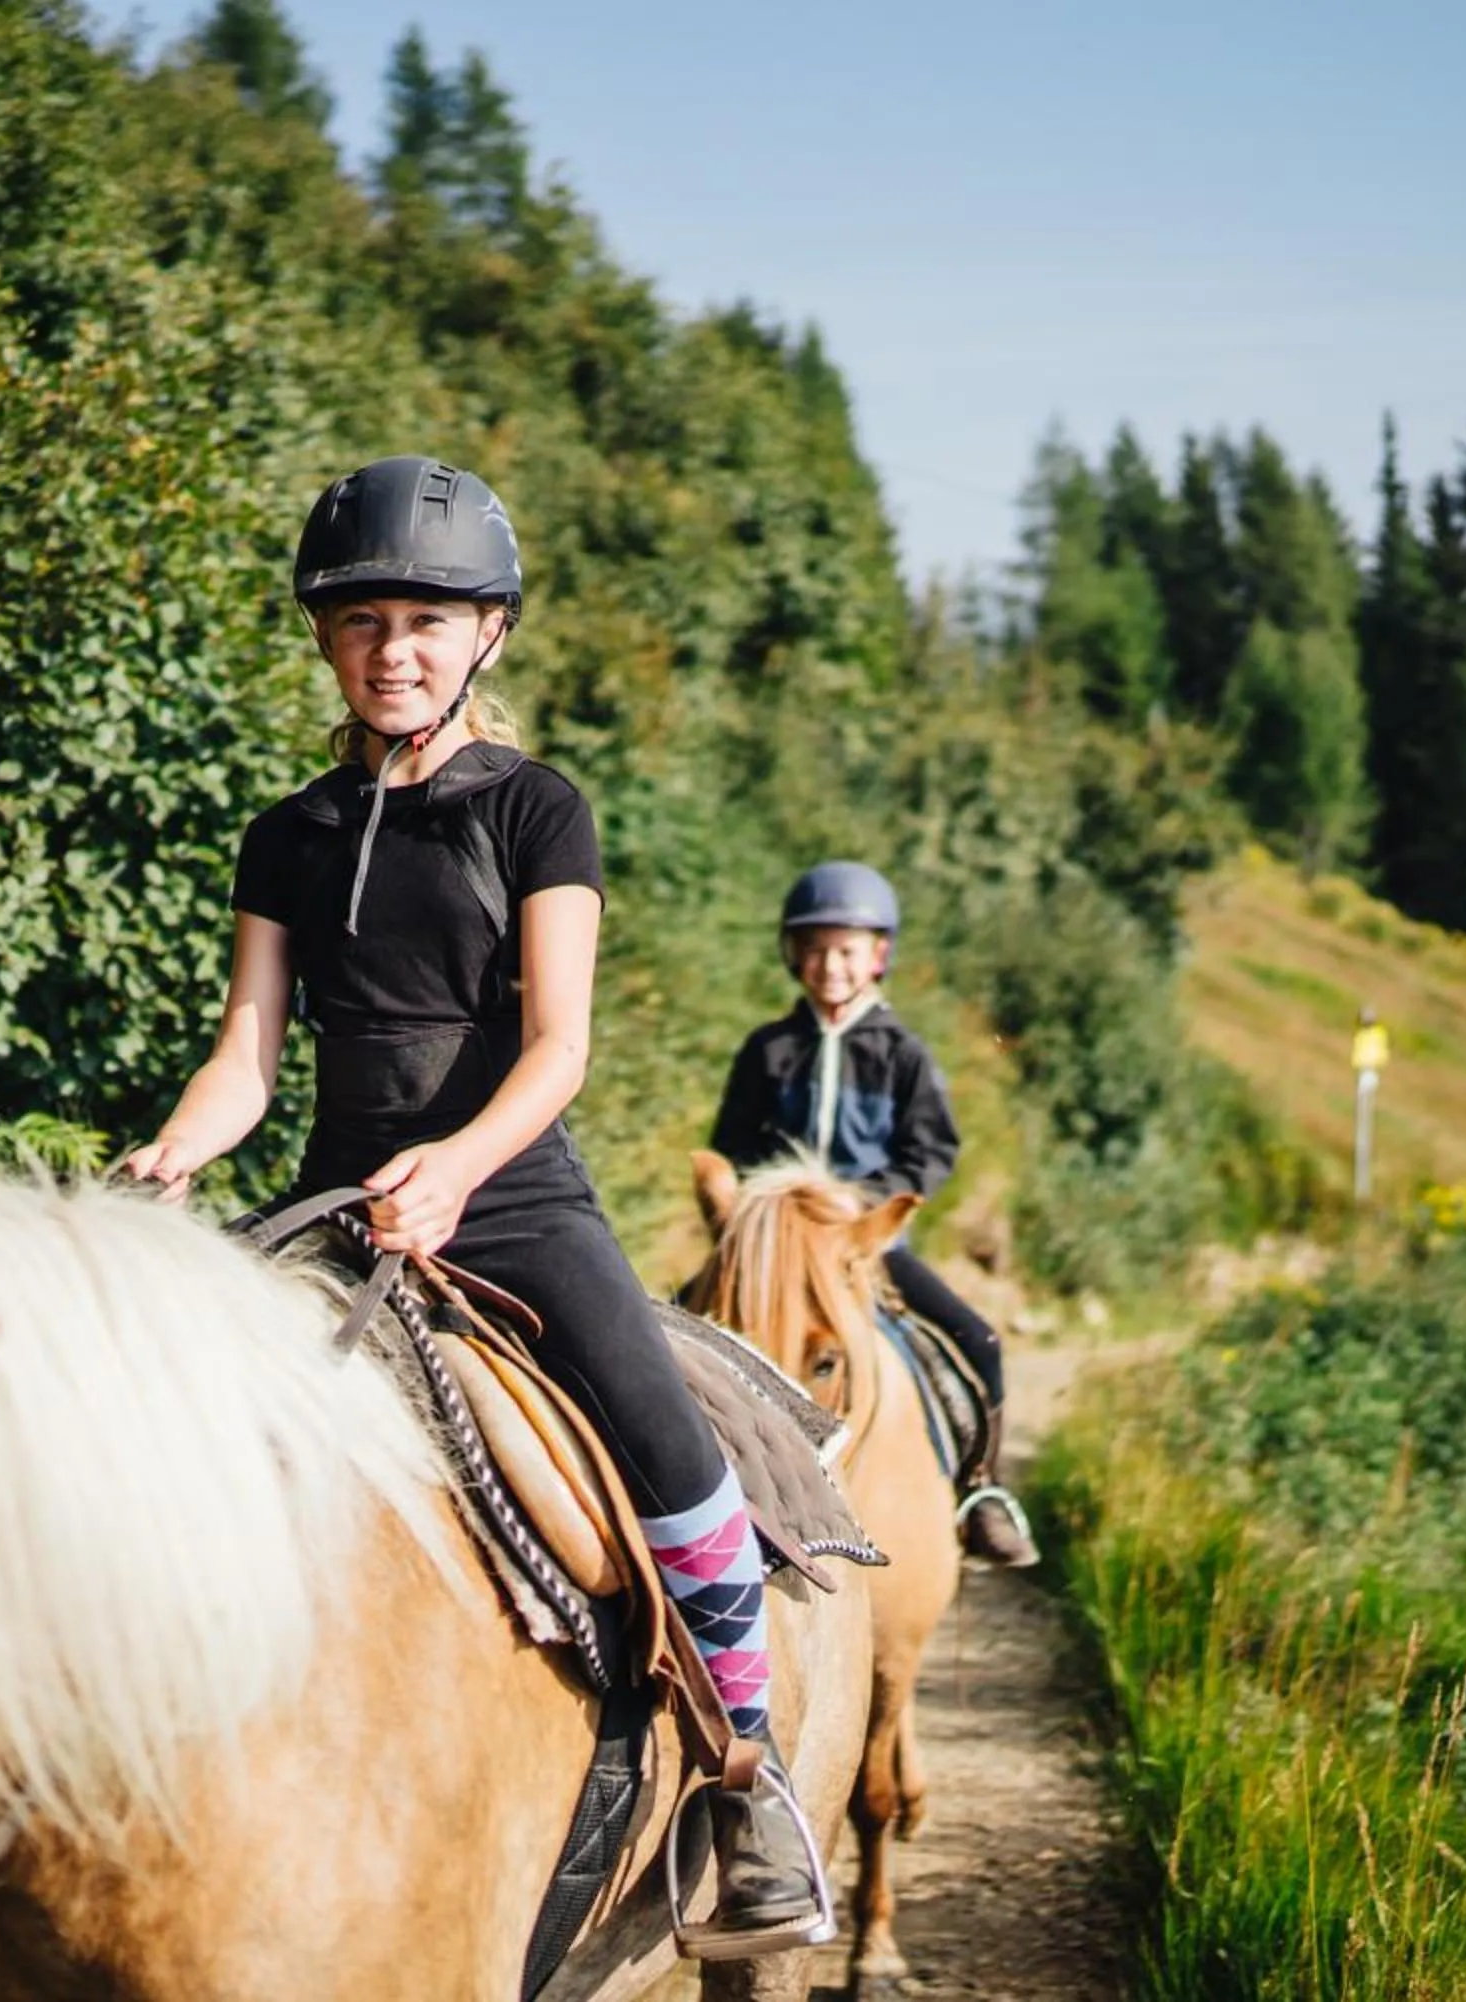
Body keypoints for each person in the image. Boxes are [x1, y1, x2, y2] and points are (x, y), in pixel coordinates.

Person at [122, 455, 825, 1949]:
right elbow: (248, 1054)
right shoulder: (287, 835)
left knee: (670, 1440)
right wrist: (164, 1164)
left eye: (430, 620)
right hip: (334, 1200)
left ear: (488, 634)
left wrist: (454, 1166)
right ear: (325, 637)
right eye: (366, 618)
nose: (397, 647)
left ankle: (747, 1782)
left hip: (508, 1195)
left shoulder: (536, 811)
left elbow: (559, 1045)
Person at [707, 861, 1040, 1568]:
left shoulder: (903, 1055)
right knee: (671, 1325)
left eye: (847, 950)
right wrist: (748, 1208)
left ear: (878, 957)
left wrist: (865, 1204)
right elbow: (733, 1148)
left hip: (864, 1246)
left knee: (978, 1340)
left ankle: (981, 1493)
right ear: (794, 954)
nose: (831, 965)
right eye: (817, 948)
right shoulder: (768, 1051)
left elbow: (931, 1151)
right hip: (776, 1249)